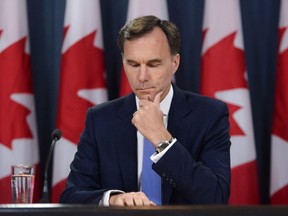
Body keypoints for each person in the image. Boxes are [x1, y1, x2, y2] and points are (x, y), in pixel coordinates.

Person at [60, 15, 231, 206]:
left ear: (175, 63)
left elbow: (215, 196)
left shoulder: (209, 115)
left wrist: (161, 138)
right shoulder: (100, 119)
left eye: (153, 64)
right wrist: (113, 199)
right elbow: (72, 196)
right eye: (133, 64)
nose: (142, 77)